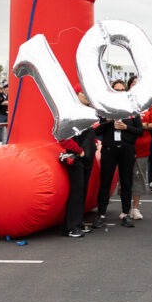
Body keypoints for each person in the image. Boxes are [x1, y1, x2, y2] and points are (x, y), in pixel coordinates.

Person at [92, 79, 143, 229]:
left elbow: (139, 131)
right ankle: (101, 214)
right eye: (116, 89)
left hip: (127, 149)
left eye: (122, 90)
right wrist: (107, 120)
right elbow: (96, 130)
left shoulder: (132, 109)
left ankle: (126, 214)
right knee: (105, 182)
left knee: (126, 182)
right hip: (109, 149)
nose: (119, 92)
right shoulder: (105, 108)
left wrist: (125, 127)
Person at [59, 88, 97, 238]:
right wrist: (79, 150)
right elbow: (62, 136)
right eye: (84, 94)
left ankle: (78, 222)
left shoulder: (88, 113)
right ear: (76, 95)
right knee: (77, 191)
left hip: (86, 157)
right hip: (76, 157)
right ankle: (71, 226)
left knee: (82, 191)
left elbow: (89, 132)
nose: (87, 97)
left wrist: (93, 143)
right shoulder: (68, 112)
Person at [129, 75, 152, 221]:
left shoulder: (149, 103)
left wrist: (141, 126)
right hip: (126, 145)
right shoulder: (124, 101)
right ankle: (125, 207)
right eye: (133, 83)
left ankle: (135, 208)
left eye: (138, 83)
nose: (135, 85)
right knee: (125, 177)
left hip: (142, 146)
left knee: (138, 176)